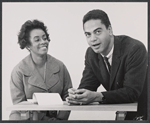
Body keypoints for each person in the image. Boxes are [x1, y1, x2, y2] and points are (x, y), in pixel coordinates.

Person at [66, 9, 148, 120]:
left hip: (145, 111)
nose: (93, 39)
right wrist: (77, 95)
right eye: (88, 34)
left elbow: (131, 92)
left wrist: (97, 96)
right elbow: (88, 85)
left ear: (109, 30)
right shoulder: (91, 54)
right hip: (124, 112)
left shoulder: (134, 49)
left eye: (98, 32)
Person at [9, 19, 72, 120]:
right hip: (26, 118)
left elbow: (69, 98)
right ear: (28, 45)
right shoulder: (18, 71)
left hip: (56, 119)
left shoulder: (60, 66)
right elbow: (19, 106)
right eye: (37, 40)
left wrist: (60, 120)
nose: (44, 42)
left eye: (45, 38)